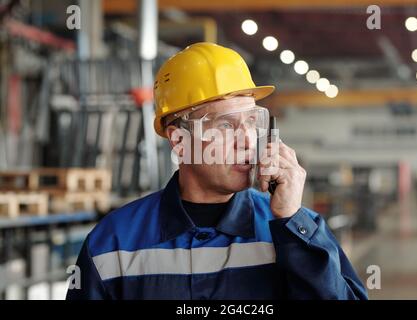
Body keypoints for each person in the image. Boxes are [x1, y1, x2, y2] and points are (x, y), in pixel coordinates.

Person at [66, 42, 367, 300]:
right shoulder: (113, 244)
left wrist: (293, 224)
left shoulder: (295, 231)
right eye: (225, 125)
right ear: (179, 140)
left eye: (251, 122)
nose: (248, 140)